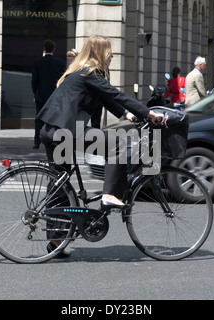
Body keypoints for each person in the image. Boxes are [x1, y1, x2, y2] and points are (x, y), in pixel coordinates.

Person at [38, 35, 165, 257]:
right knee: (117, 143)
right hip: (65, 131)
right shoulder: (90, 71)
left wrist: (127, 114)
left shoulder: (79, 71)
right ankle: (110, 194)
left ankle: (56, 242)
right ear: (100, 53)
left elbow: (107, 99)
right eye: (109, 51)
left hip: (52, 130)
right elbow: (115, 94)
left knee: (60, 183)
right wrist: (147, 113)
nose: (112, 55)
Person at [31, 39, 66, 149]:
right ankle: (54, 140)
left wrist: (35, 93)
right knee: (54, 119)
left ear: (44, 49)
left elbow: (34, 80)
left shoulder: (37, 62)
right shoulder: (60, 63)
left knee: (39, 119)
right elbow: (63, 81)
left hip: (40, 96)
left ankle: (37, 142)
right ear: (54, 49)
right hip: (54, 96)